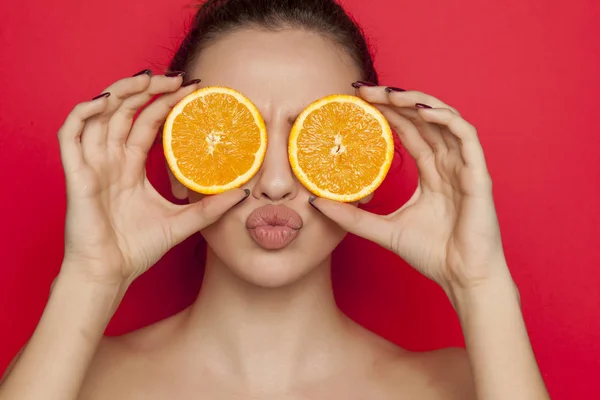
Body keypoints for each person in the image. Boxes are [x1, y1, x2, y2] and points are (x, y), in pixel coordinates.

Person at [0, 0, 550, 399]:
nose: (276, 183)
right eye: (235, 137)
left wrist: (481, 284)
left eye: (317, 139)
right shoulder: (73, 380)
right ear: (178, 163)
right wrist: (89, 277)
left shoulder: (463, 386)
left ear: (363, 164)